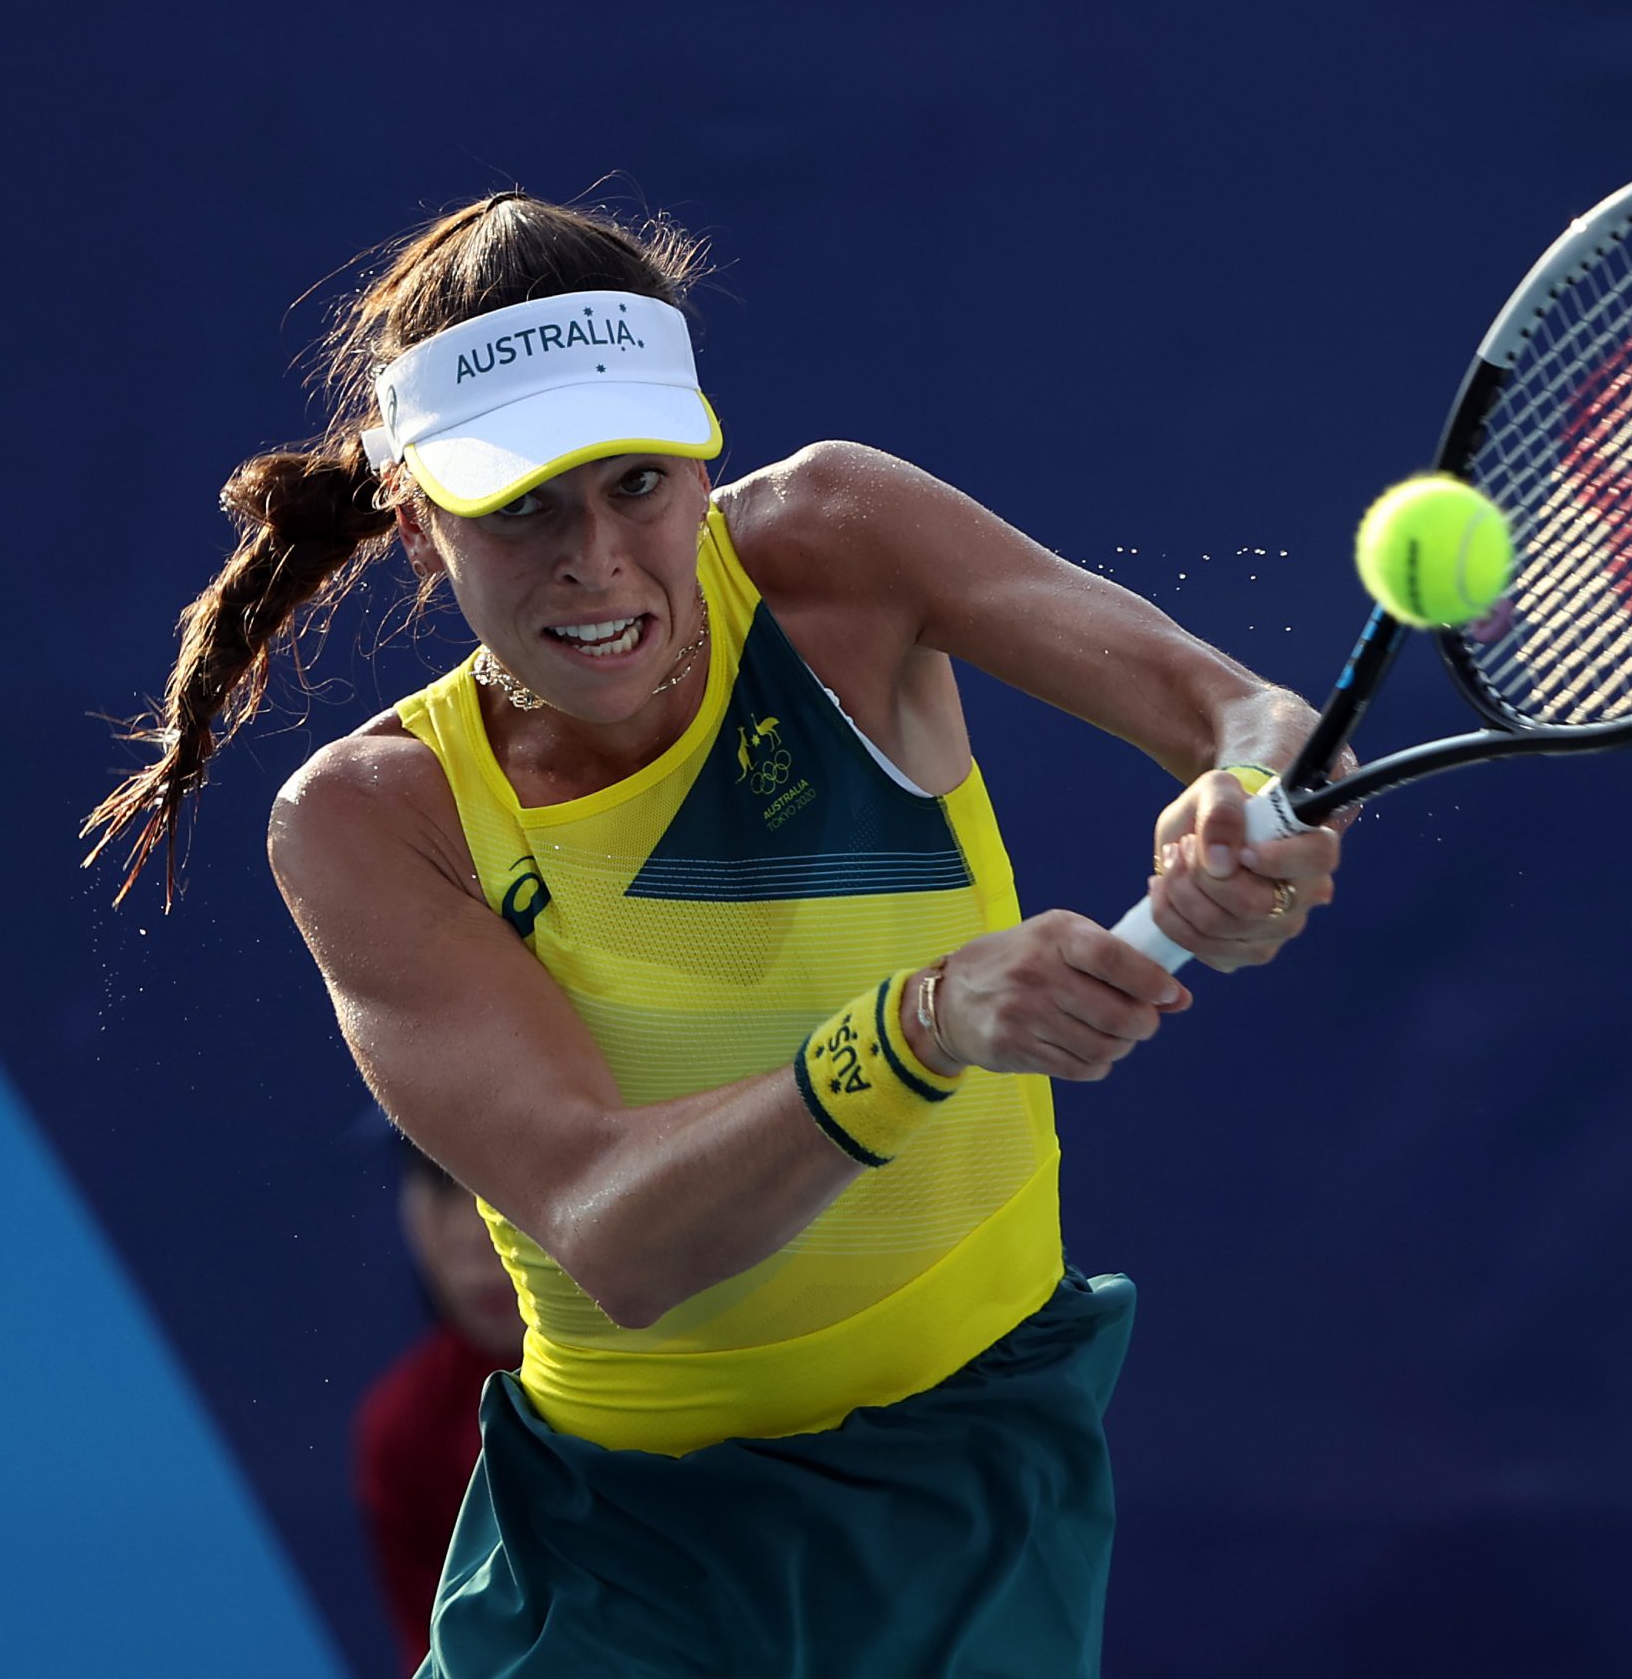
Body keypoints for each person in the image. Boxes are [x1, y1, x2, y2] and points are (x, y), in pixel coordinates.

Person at [86, 191, 1347, 1677]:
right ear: (421, 517)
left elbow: (1251, 715)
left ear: (702, 459)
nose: (596, 558)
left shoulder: (839, 543)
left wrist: (1243, 817)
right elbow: (621, 1233)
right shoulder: (375, 818)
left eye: (637, 484)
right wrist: (923, 1024)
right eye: (523, 505)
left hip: (976, 1496)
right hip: (623, 1568)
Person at [355, 1139, 526, 1671]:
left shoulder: (694, 1368)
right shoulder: (403, 1429)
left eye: (504, 1185)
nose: (475, 1234)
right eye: (442, 1183)